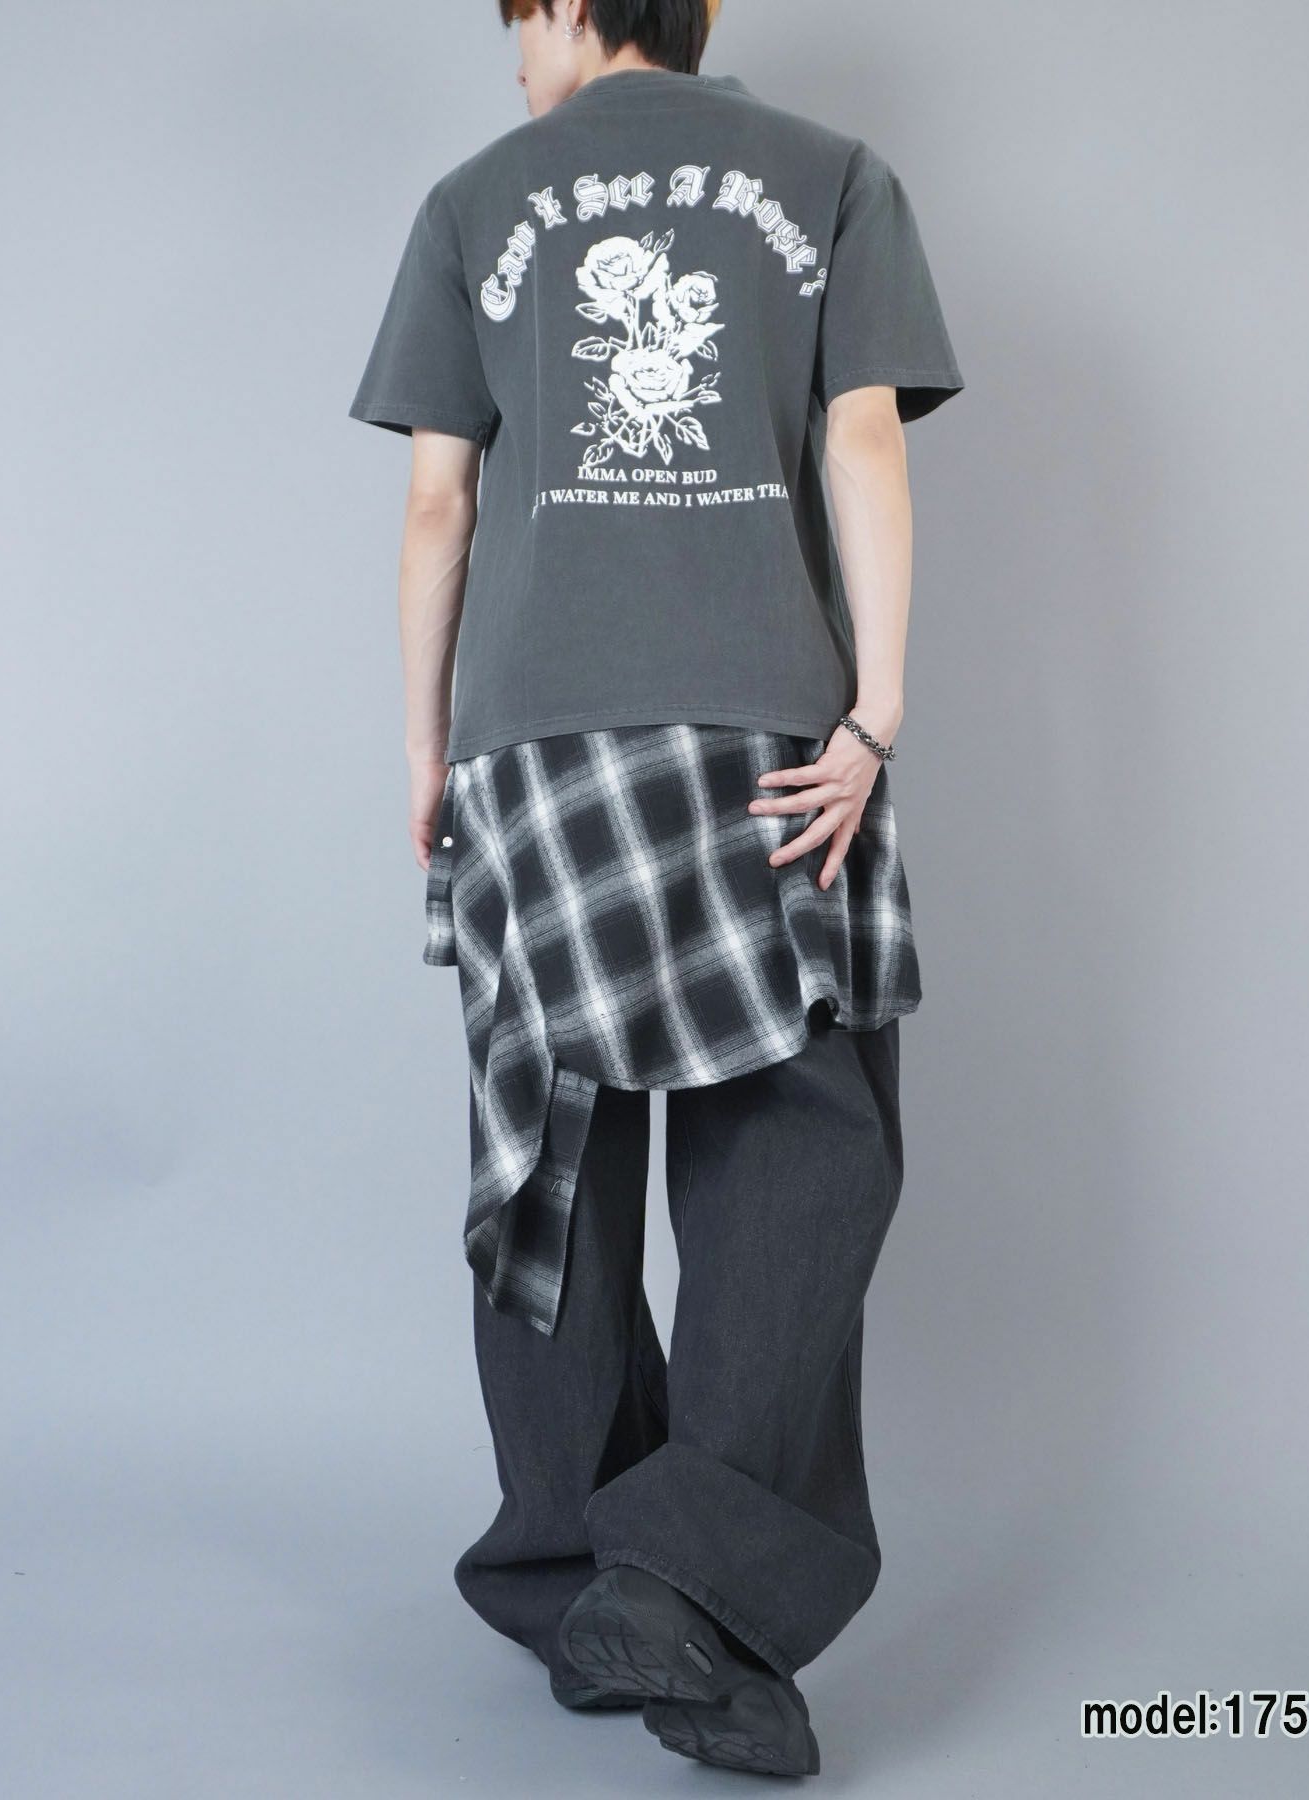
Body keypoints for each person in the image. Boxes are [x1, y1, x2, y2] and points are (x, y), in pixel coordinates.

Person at [348, 0, 963, 1777]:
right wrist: (878, 710)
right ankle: (686, 1581)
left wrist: (427, 749)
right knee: (801, 1140)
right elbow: (862, 441)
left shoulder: (474, 199)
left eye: (511, 18)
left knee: (550, 1152)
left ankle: (577, 1571)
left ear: (562, 4)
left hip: (535, 745)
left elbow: (440, 508)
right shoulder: (835, 180)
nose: (508, 56)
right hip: (764, 735)